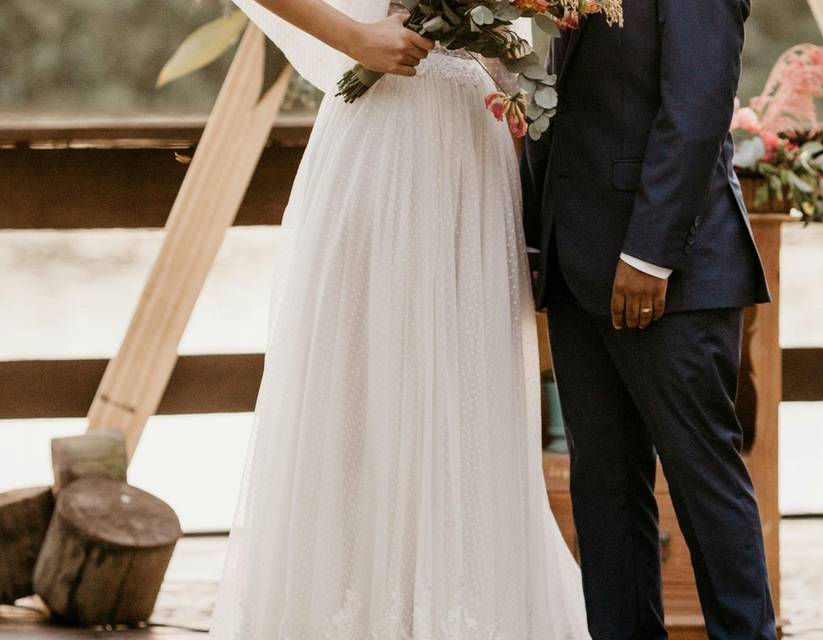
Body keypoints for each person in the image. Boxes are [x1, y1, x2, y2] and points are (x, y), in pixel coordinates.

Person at [207, 0, 589, 637]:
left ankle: (461, 606)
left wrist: (510, 60)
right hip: (385, 129)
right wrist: (355, 37)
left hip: (474, 131)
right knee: (360, 379)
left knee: (469, 387)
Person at [521, 0, 779, 638]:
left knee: (702, 483)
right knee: (604, 490)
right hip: (576, 264)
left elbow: (695, 110)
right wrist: (535, 238)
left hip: (669, 272)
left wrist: (649, 255)